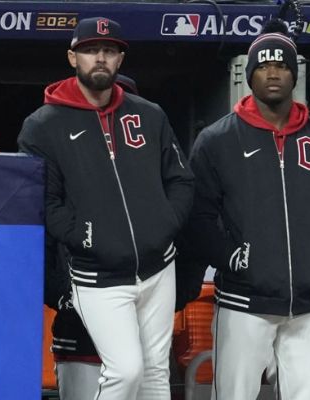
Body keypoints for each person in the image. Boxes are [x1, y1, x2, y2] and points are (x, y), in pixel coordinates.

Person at [17, 17, 193, 400]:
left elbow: (181, 179)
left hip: (158, 267)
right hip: (97, 273)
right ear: (72, 58)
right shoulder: (43, 125)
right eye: (90, 50)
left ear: (120, 59)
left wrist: (164, 224)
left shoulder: (149, 114)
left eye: (109, 50)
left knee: (155, 374)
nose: (100, 58)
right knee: (125, 372)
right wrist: (86, 238)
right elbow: (45, 202)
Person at [187, 19, 310, 400]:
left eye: (281, 65)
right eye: (263, 65)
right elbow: (198, 216)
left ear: (293, 74)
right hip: (243, 301)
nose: (273, 73)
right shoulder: (217, 140)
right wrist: (232, 259)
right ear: (250, 74)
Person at [45, 74, 141, 400]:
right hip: (79, 335)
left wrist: (175, 297)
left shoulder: (151, 174)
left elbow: (181, 241)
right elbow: (41, 249)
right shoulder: (62, 170)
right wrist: (66, 296)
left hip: (144, 329)